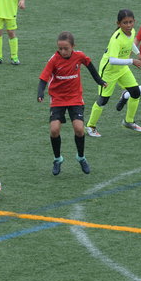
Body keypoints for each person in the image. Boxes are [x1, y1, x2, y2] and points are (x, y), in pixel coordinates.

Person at [38, 32, 106, 175]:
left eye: (66, 48)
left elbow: (90, 66)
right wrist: (40, 92)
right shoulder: (54, 60)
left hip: (75, 98)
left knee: (79, 129)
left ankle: (81, 157)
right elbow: (44, 77)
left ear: (73, 46)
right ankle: (57, 159)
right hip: (58, 99)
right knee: (54, 130)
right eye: (60, 48)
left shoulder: (79, 56)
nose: (63, 51)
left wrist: (99, 81)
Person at [86, 9, 141, 137]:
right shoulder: (116, 39)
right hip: (109, 72)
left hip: (122, 69)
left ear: (134, 21)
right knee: (103, 100)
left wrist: (138, 53)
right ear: (118, 24)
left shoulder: (132, 31)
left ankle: (128, 122)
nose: (128, 25)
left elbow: (130, 42)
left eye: (130, 22)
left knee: (135, 93)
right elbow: (112, 60)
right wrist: (132, 61)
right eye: (125, 23)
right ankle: (91, 126)